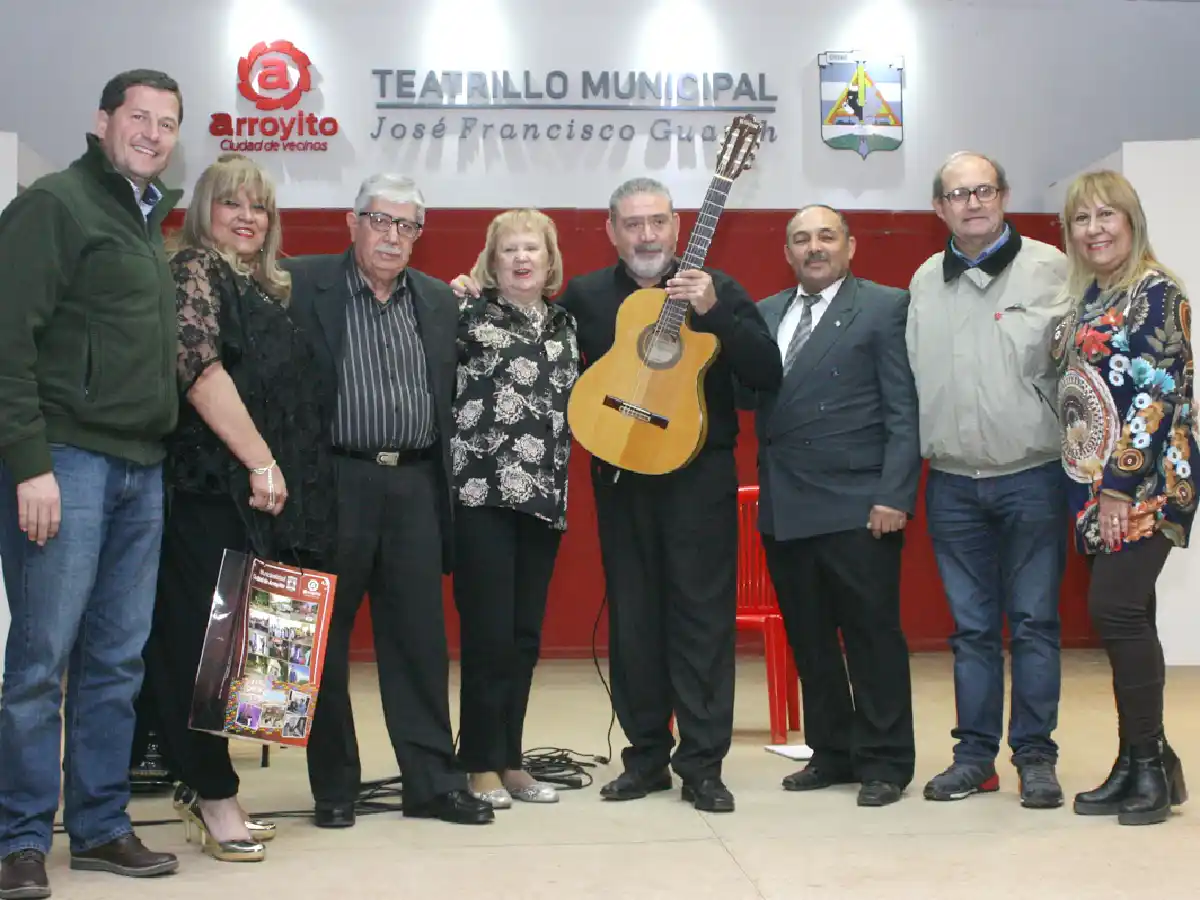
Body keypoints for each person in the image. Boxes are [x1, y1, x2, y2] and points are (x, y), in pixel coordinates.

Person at [458, 177, 781, 813]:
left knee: (701, 624)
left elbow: (766, 373)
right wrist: (473, 291)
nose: (647, 235)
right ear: (611, 232)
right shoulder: (584, 296)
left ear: (677, 225)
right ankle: (646, 758)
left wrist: (715, 310)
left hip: (699, 480)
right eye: (632, 224)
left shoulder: (717, 289)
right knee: (633, 623)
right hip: (622, 478)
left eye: (657, 221)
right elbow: (528, 338)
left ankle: (703, 765)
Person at [0, 69, 184, 898]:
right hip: (65, 463)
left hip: (140, 468)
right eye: (138, 117)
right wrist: (29, 462)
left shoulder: (145, 221)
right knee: (40, 663)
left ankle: (103, 827)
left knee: (116, 661)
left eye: (166, 121)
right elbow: (7, 340)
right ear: (102, 121)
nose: (151, 132)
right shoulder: (57, 205)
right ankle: (19, 841)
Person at [137, 153, 337, 863]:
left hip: (260, 495)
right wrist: (261, 460)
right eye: (233, 204)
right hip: (212, 488)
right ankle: (211, 792)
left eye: (260, 207)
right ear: (203, 211)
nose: (248, 217)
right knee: (202, 652)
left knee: (243, 659)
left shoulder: (262, 285)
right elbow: (199, 370)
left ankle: (216, 786)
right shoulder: (194, 269)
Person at [285, 174, 493, 828]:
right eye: (381, 220)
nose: (393, 236)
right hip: (332, 482)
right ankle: (335, 788)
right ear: (352, 223)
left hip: (413, 485)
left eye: (407, 226)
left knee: (420, 644)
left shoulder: (437, 301)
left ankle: (432, 783)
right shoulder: (303, 286)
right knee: (322, 644)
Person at [906, 151, 1072, 808]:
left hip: (1031, 477)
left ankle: (1035, 755)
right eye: (957, 194)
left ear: (1003, 196)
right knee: (971, 630)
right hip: (950, 484)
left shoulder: (1051, 269)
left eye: (983, 191)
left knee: (1033, 622)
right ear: (939, 209)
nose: (971, 203)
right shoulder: (924, 280)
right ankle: (975, 757)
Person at [741, 205, 921, 807]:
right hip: (787, 504)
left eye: (825, 236)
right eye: (801, 239)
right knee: (810, 640)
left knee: (871, 638)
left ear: (850, 245)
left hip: (859, 504)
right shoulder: (765, 313)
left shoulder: (884, 306)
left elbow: (903, 409)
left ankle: (886, 761)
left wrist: (894, 494)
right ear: (787, 252)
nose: (813, 248)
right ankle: (833, 752)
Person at [1050, 170, 1196, 826]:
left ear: (1132, 221)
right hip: (1095, 484)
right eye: (1082, 219)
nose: (1095, 229)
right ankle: (1143, 760)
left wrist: (1117, 488)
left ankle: (1147, 763)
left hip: (1148, 482)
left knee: (1115, 611)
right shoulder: (1090, 296)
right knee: (1130, 614)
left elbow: (1156, 395)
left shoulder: (1155, 290)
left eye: (1107, 215)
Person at [448, 209, 580, 808]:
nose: (522, 259)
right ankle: (477, 762)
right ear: (491, 261)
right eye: (510, 250)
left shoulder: (565, 324)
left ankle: (510, 758)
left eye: (533, 249)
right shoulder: (465, 315)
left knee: (524, 637)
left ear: (550, 261)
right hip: (481, 497)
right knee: (488, 635)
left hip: (544, 499)